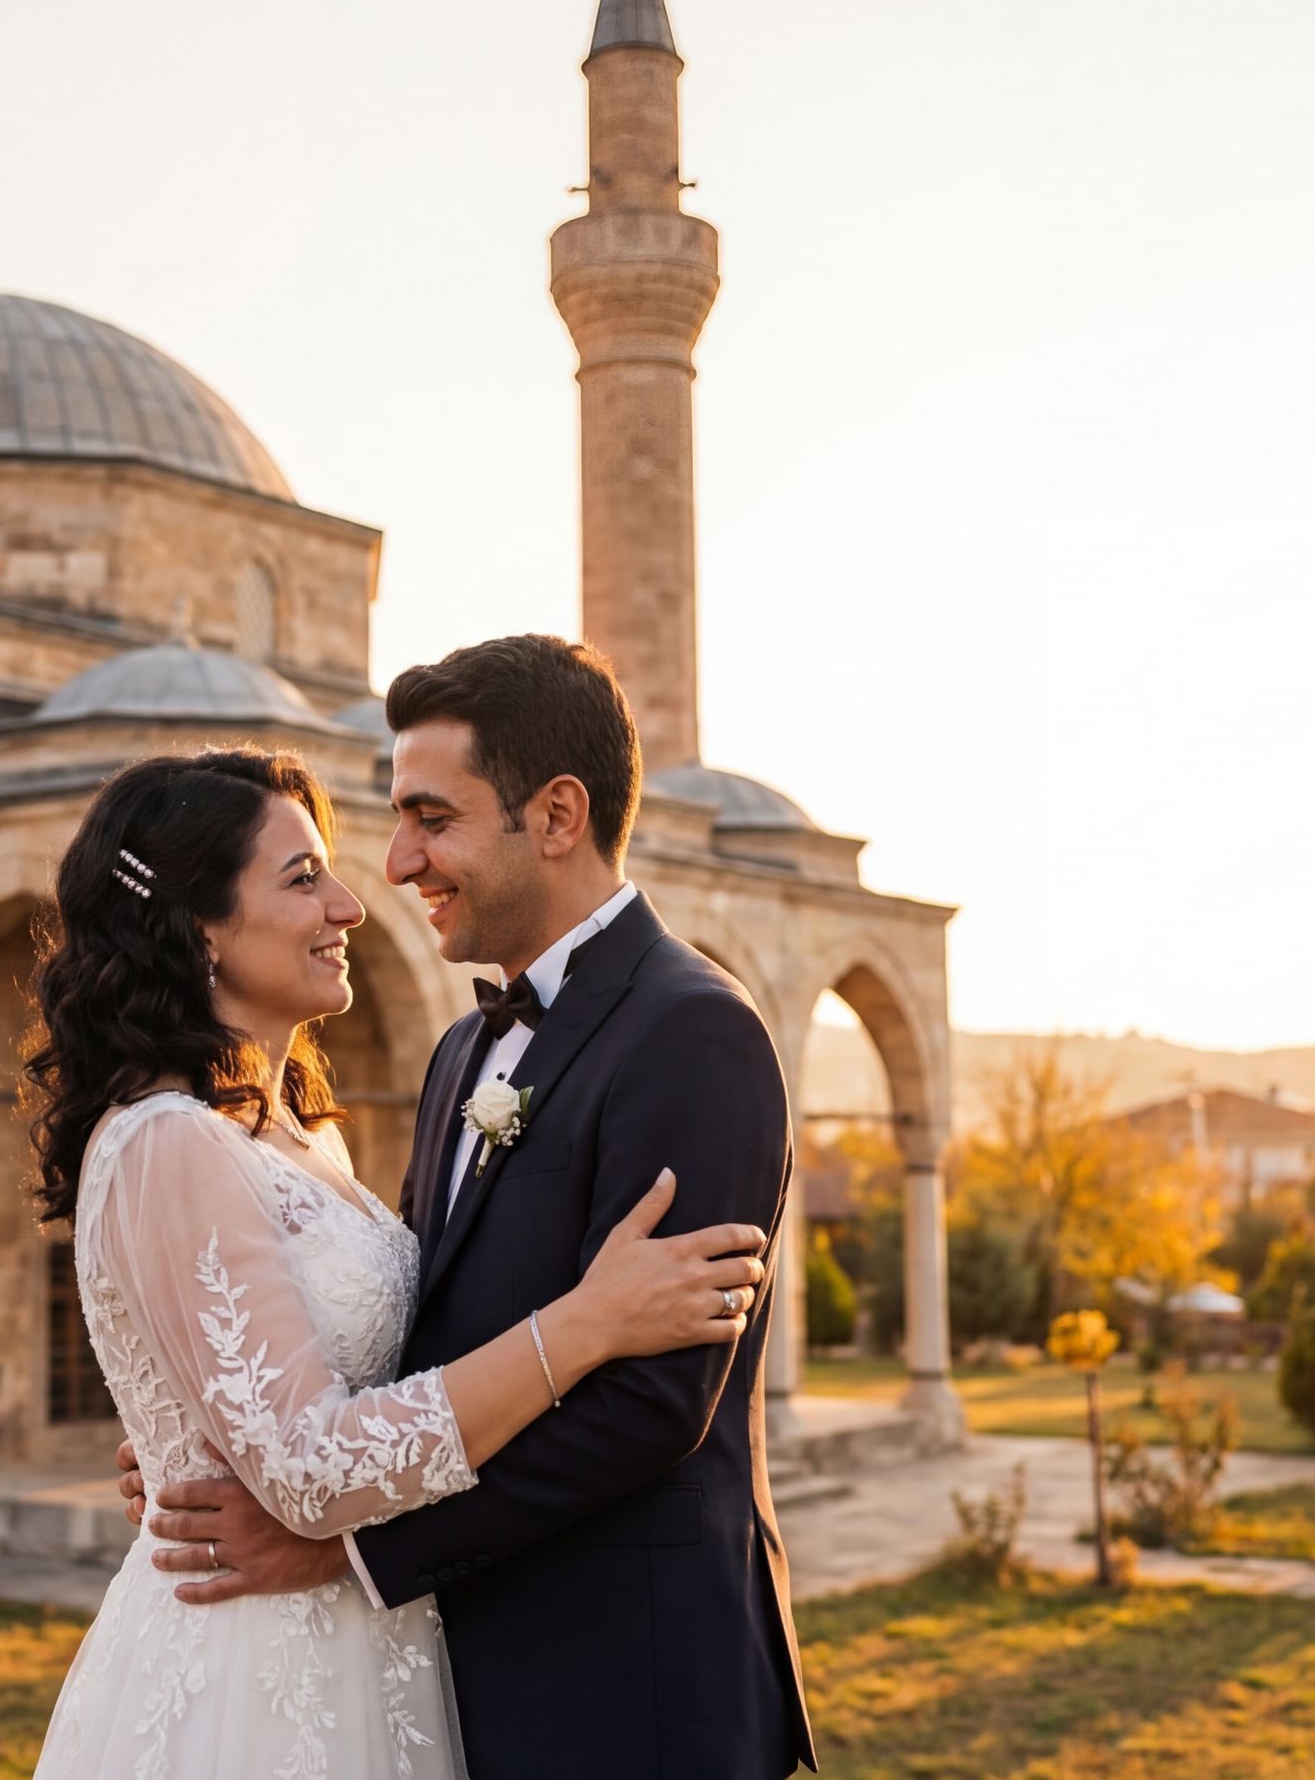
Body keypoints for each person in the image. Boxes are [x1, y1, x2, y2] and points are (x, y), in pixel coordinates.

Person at [116, 637, 815, 1779]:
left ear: (555, 815)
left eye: (430, 818)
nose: (396, 863)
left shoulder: (696, 1031)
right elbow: (410, 1335)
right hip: (457, 1672)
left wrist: (341, 1552)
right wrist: (221, 1426)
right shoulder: (456, 1056)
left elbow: (651, 1405)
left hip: (628, 1688)